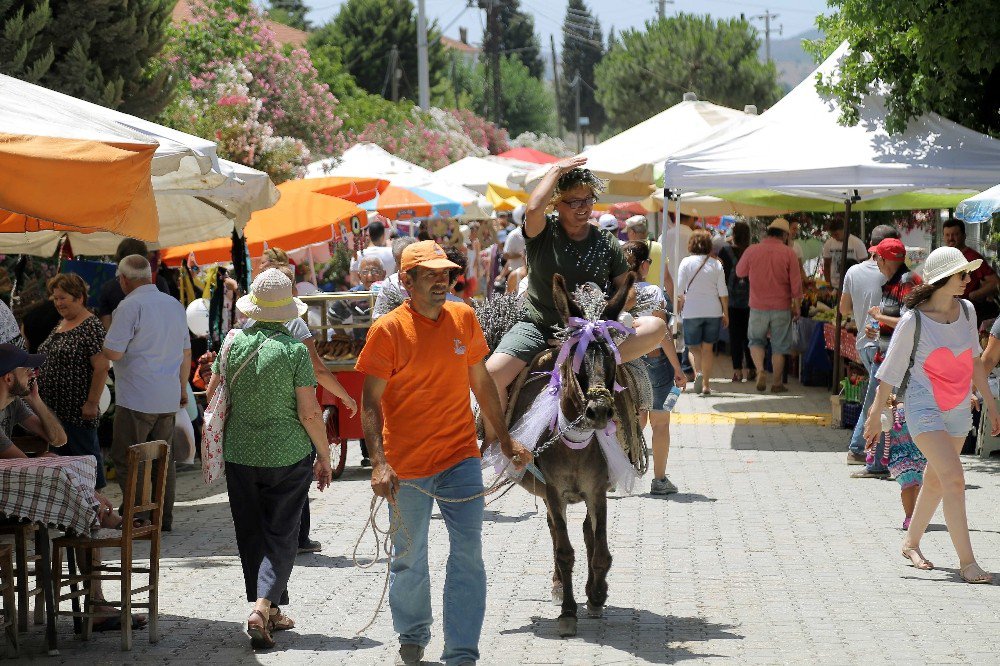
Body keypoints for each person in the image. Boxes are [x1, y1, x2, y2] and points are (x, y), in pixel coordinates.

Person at [357, 240, 532, 666]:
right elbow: (370, 402)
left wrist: (504, 439)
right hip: (407, 465)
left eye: (446, 273)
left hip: (460, 456)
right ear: (406, 280)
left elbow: (482, 383)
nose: (442, 279)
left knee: (469, 553)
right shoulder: (389, 330)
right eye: (430, 273)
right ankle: (413, 632)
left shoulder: (463, 317)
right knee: (409, 558)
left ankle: (461, 653)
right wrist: (379, 462)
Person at [485, 158, 666, 426]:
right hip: (540, 327)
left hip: (594, 333)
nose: (583, 208)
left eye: (588, 200)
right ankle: (497, 442)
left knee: (657, 326)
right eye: (574, 201)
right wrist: (556, 170)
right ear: (556, 204)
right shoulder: (543, 233)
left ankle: (598, 363)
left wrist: (603, 306)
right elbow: (533, 208)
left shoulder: (605, 241)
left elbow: (627, 293)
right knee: (491, 376)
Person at [207, 268, 333, 648]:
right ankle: (262, 608)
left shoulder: (231, 343)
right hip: (287, 453)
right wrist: (324, 456)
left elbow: (214, 392)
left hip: (240, 452)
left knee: (252, 531)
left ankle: (272, 611)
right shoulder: (295, 351)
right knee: (282, 533)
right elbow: (310, 412)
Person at [864, 246, 999, 584]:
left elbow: (974, 361)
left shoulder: (967, 311)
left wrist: (992, 405)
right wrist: (873, 415)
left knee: (937, 480)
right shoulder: (914, 319)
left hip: (957, 408)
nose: (969, 280)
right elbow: (890, 372)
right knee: (953, 478)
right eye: (962, 274)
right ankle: (968, 563)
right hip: (922, 406)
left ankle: (910, 542)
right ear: (942, 279)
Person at [249, 259, 358, 553]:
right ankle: (298, 539)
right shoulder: (295, 323)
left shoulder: (245, 327)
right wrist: (345, 396)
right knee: (296, 479)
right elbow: (317, 369)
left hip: (253, 419)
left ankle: (268, 539)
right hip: (291, 417)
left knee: (264, 482)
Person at [102, 255, 190, 532]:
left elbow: (113, 351)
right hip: (167, 396)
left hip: (137, 397)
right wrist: (181, 386)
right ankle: (162, 518)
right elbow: (186, 352)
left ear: (124, 279)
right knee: (164, 460)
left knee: (131, 458)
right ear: (150, 276)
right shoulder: (173, 304)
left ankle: (138, 518)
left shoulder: (129, 306)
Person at [851, 236, 919, 480]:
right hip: (886, 355)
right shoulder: (891, 283)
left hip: (898, 361)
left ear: (886, 259)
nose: (874, 260)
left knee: (881, 410)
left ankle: (881, 463)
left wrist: (881, 319)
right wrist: (878, 328)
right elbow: (897, 322)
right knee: (877, 410)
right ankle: (878, 462)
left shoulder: (908, 282)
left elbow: (910, 321)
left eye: (877, 256)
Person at [623, 242, 686, 495]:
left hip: (627, 362)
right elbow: (663, 334)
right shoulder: (654, 293)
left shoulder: (615, 291)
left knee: (631, 419)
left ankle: (621, 474)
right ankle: (659, 480)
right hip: (655, 361)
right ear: (644, 264)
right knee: (660, 423)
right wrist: (678, 368)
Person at [37, 274, 111, 488]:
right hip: (55, 411)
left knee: (85, 460)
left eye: (63, 298)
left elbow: (102, 366)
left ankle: (97, 508)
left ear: (79, 297)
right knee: (63, 465)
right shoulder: (63, 323)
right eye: (56, 298)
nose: (58, 303)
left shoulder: (91, 326)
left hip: (77, 410)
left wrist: (91, 403)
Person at [840, 225, 900, 465]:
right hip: (883, 343)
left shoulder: (853, 271)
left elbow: (843, 309)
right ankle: (859, 449)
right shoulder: (891, 272)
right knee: (878, 400)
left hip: (864, 344)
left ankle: (872, 450)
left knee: (879, 398)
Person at [735, 218, 802, 393]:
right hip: (781, 307)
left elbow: (739, 271)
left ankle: (760, 370)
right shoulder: (789, 253)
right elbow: (796, 285)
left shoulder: (752, 250)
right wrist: (798, 306)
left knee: (756, 341)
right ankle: (777, 383)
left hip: (757, 306)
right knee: (779, 346)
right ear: (785, 235)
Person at [676, 230, 728, 396]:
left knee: (692, 347)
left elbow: (679, 290)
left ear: (691, 244)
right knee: (708, 349)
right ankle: (706, 385)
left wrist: (678, 306)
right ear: (708, 246)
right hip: (713, 311)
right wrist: (726, 313)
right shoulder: (717, 264)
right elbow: (723, 292)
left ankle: (698, 372)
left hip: (692, 311)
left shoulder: (685, 262)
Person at [0, 344, 67, 458]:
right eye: (26, 370)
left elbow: (59, 440)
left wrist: (35, 400)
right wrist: (44, 460)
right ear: (9, 379)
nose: (32, 375)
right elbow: (24, 466)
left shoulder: (12, 403)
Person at [97, 238, 172, 329]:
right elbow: (168, 317)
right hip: (155, 340)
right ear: (144, 258)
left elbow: (107, 326)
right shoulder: (158, 281)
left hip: (122, 340)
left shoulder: (108, 288)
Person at [942, 218, 1000, 322]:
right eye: (947, 235)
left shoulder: (973, 257)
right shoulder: (943, 257)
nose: (951, 238)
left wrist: (974, 294)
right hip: (948, 313)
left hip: (968, 315)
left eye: (955, 234)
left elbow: (995, 282)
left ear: (964, 236)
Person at [720, 222, 754, 382]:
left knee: (735, 336)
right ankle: (752, 369)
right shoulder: (752, 251)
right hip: (751, 300)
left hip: (731, 300)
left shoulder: (725, 252)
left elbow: (721, 276)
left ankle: (737, 371)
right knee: (750, 336)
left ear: (733, 234)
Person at [625, 215, 673, 298]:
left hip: (633, 298)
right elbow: (666, 277)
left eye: (627, 232)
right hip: (655, 298)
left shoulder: (627, 249)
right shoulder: (659, 247)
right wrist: (673, 300)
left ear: (632, 232)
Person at [373, 236, 420, 321]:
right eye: (400, 262)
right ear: (396, 262)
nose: (405, 266)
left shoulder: (426, 279)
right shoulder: (390, 284)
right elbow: (377, 317)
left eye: (408, 260)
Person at [822, 218, 868, 291]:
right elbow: (826, 265)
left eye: (836, 234)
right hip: (835, 285)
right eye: (832, 234)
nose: (834, 237)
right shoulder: (828, 243)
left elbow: (865, 266)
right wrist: (828, 284)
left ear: (845, 230)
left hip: (854, 285)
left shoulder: (857, 243)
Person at [350, 219, 395, 285]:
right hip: (388, 293)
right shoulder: (392, 253)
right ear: (383, 235)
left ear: (369, 235)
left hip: (364, 294)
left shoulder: (358, 255)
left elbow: (354, 281)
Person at [663, 213, 696, 290]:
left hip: (666, 286)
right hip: (686, 286)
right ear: (691, 218)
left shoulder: (664, 235)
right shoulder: (693, 237)